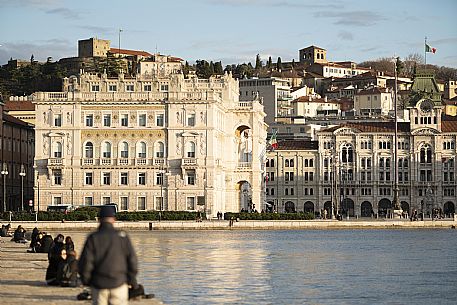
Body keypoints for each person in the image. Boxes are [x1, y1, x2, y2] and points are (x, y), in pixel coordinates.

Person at [79, 205, 138, 305]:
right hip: (119, 283)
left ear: (99, 219)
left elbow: (85, 262)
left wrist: (87, 281)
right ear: (114, 219)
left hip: (99, 284)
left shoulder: (93, 237)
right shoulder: (122, 236)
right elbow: (132, 261)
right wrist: (131, 280)